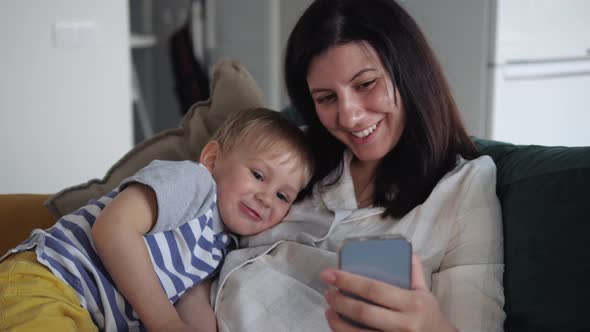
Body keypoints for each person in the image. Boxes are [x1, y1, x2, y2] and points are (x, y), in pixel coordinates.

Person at [207, 0, 504, 331]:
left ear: (407, 74)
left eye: (365, 84)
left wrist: (429, 325)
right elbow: (191, 228)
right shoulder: (290, 157)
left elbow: (477, 323)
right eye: (326, 98)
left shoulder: (463, 187)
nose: (348, 116)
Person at [0, 107, 313, 332]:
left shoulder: (223, 245)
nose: (265, 198)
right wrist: (165, 322)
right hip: (52, 281)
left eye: (283, 196)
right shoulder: (193, 182)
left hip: (89, 316)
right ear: (213, 159)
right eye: (258, 175)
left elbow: (193, 299)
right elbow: (113, 228)